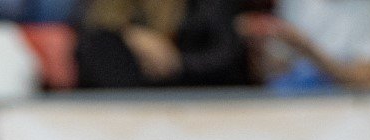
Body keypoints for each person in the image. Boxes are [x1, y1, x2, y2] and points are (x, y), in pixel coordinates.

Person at [74, 0, 250, 90]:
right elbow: (90, 38)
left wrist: (177, 62)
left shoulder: (205, 7)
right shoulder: (105, 28)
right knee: (103, 46)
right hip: (129, 107)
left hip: (199, 92)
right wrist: (131, 34)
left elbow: (227, 54)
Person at [237, 0, 370, 93]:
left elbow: (367, 80)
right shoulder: (297, 3)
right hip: (289, 112)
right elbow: (272, 71)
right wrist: (256, 48)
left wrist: (307, 49)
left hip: (346, 120)